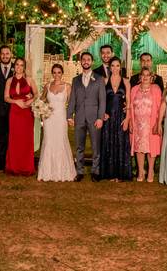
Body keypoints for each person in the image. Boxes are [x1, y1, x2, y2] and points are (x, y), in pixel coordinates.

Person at [67, 52, 107, 182]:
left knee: (96, 146)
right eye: (83, 59)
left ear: (92, 62)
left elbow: (102, 100)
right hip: (79, 117)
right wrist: (69, 115)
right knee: (79, 147)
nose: (86, 61)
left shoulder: (99, 79)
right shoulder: (75, 80)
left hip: (94, 118)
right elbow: (72, 99)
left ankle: (95, 171)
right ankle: (80, 171)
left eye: (88, 59)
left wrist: (100, 117)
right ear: (80, 62)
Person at [37, 64, 77, 182]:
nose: (56, 75)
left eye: (59, 72)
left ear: (62, 73)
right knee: (48, 141)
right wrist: (41, 110)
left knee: (61, 141)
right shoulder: (47, 86)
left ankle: (62, 171)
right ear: (52, 73)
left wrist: (70, 117)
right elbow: (42, 100)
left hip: (61, 117)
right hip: (48, 118)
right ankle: (47, 171)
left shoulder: (67, 86)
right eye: (54, 72)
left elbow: (71, 104)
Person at [100, 57, 132, 181]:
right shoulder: (104, 81)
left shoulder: (126, 81)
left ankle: (120, 174)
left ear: (120, 67)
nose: (115, 68)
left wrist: (127, 118)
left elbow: (128, 102)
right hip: (108, 117)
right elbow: (101, 99)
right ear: (109, 67)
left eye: (117, 65)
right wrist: (102, 113)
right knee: (108, 143)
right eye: (112, 65)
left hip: (121, 117)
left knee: (120, 143)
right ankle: (110, 174)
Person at [4, 57, 37, 176]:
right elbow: (6, 98)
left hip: (26, 112)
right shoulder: (9, 80)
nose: (19, 67)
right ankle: (14, 166)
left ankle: (26, 166)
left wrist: (31, 100)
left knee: (26, 139)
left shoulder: (29, 79)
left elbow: (36, 94)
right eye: (17, 65)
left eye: (21, 65)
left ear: (24, 67)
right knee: (15, 139)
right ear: (14, 66)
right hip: (14, 112)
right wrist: (16, 102)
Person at [129, 67, 162, 182]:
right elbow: (130, 107)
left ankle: (151, 171)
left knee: (151, 148)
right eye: (143, 75)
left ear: (151, 77)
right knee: (139, 148)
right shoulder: (134, 89)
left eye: (148, 75)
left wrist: (157, 123)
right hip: (137, 124)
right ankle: (141, 171)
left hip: (151, 123)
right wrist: (130, 122)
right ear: (140, 77)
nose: (145, 77)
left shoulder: (156, 89)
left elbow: (160, 108)